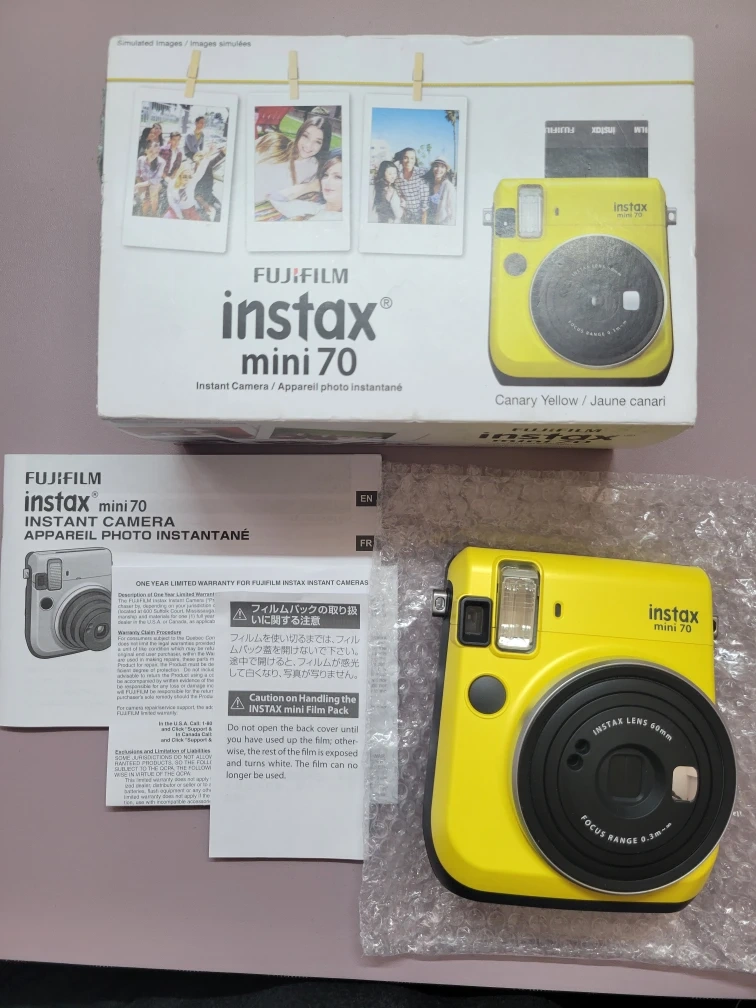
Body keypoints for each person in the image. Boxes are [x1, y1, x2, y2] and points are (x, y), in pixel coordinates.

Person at [254, 113, 332, 211]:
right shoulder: (274, 142)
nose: (308, 145)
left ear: (323, 145)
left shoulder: (314, 167)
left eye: (317, 142)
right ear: (300, 133)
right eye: (305, 136)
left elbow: (279, 196)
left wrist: (310, 186)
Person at [268, 153, 344, 221]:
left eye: (338, 177)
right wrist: (310, 186)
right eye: (326, 175)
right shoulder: (313, 208)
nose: (327, 181)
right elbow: (275, 198)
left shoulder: (341, 218)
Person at [163, 147, 215, 220]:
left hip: (189, 208)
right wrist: (179, 214)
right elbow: (171, 201)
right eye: (184, 176)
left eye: (189, 176)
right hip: (175, 209)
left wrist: (208, 155)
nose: (187, 179)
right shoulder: (172, 183)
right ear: (179, 175)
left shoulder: (191, 181)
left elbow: (201, 170)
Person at [393, 147, 428, 225]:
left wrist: (424, 224)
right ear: (402, 159)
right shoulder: (397, 176)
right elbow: (400, 196)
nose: (409, 161)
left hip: (421, 217)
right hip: (406, 217)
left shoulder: (422, 173)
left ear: (415, 160)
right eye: (406, 158)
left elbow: (425, 201)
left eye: (412, 158)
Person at [134, 140, 166, 216]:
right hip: (143, 182)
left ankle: (154, 213)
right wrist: (141, 185)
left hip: (155, 184)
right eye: (151, 151)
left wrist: (139, 185)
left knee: (153, 189)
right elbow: (137, 174)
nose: (153, 155)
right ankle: (144, 214)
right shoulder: (141, 159)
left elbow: (155, 180)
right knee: (145, 202)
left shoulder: (161, 162)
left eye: (156, 152)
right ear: (146, 151)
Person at [425, 158, 456, 225]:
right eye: (436, 166)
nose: (439, 169)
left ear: (446, 170)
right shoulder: (428, 184)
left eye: (442, 167)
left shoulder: (448, 187)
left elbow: (452, 213)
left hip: (442, 224)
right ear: (432, 168)